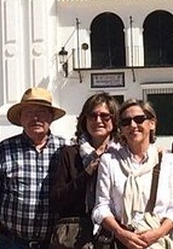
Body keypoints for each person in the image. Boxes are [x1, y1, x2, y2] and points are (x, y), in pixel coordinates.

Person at [0, 87, 67, 249]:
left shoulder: (64, 150)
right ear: (21, 118)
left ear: (51, 117)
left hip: (53, 243)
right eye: (29, 113)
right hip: (12, 242)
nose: (35, 118)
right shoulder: (5, 149)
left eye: (41, 112)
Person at [93, 99, 173, 249]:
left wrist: (156, 234)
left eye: (139, 119)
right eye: (126, 122)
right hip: (121, 242)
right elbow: (101, 207)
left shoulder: (169, 161)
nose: (133, 125)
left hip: (159, 243)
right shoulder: (109, 161)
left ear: (152, 123)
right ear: (121, 128)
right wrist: (121, 233)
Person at [50, 93, 120, 249]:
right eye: (92, 116)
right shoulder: (69, 154)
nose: (98, 120)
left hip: (115, 236)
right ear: (84, 120)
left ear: (114, 120)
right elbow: (57, 199)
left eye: (105, 116)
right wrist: (87, 173)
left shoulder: (122, 155)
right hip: (75, 237)